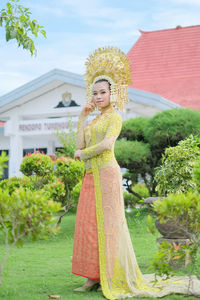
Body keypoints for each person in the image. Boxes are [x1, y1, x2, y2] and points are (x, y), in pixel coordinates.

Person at [72, 47, 200, 299]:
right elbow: (79, 145)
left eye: (102, 92)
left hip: (107, 173)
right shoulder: (94, 119)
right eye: (94, 93)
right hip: (90, 176)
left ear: (112, 94)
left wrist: (83, 155)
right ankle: (93, 276)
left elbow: (106, 145)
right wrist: (81, 116)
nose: (98, 97)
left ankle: (111, 274)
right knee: (89, 224)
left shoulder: (114, 117)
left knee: (109, 225)